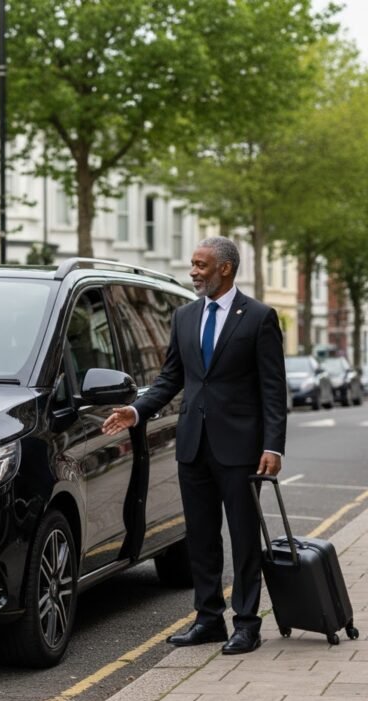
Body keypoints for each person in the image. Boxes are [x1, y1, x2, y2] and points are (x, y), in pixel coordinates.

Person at [102, 236, 287, 655]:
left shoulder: (259, 317)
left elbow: (273, 389)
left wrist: (273, 446)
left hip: (240, 450)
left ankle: (247, 624)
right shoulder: (184, 316)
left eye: (201, 265)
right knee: (200, 537)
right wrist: (136, 411)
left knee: (243, 538)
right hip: (192, 445)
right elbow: (171, 378)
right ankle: (208, 620)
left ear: (225, 268)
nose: (193, 272)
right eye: (193, 264)